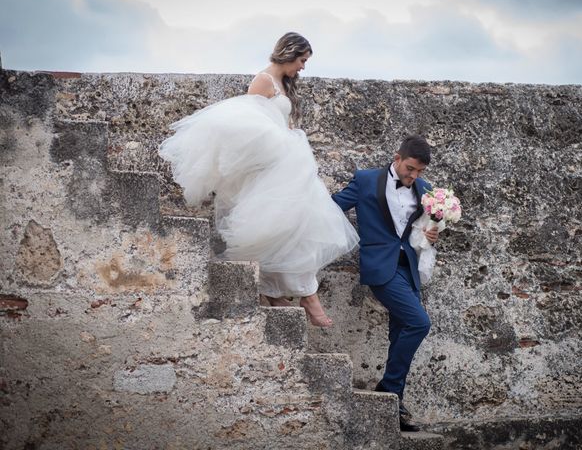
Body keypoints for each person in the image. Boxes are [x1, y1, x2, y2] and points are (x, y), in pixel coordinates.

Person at [159, 32, 358, 327]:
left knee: (295, 231)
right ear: (290, 53)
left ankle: (279, 294)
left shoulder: (283, 85)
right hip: (271, 171)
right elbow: (246, 129)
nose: (303, 67)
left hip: (286, 167)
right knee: (288, 230)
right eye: (302, 60)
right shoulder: (263, 81)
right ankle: (307, 297)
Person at [331, 135, 439, 432]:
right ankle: (388, 389)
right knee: (419, 323)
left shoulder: (425, 189)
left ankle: (392, 405)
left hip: (410, 268)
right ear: (397, 157)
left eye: (419, 171)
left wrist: (431, 234)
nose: (414, 176)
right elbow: (333, 207)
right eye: (410, 169)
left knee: (401, 332)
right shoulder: (366, 180)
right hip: (381, 268)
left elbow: (421, 227)